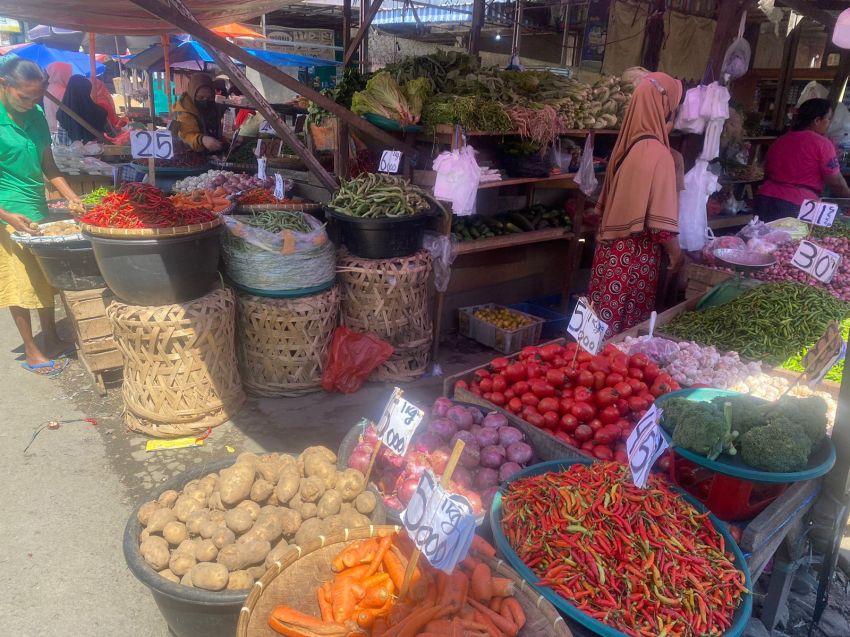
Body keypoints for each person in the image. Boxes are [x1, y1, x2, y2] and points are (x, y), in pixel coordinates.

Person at [0, 58, 82, 376]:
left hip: (38, 209)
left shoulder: (34, 115)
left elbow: (49, 167)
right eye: (25, 97)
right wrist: (6, 215)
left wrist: (74, 199)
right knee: (19, 284)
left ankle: (51, 336)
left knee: (45, 278)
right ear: (4, 84)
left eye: (37, 98)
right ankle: (32, 349)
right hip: (7, 213)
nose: (32, 103)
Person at [588, 72, 684, 338]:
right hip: (635, 258)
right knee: (625, 331)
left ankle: (586, 370)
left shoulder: (624, 145)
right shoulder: (659, 155)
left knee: (601, 320)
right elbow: (661, 228)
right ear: (663, 111)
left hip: (610, 253)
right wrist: (677, 255)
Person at [755, 98, 850, 221]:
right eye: (828, 119)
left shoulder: (781, 140)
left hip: (765, 198)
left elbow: (767, 172)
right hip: (796, 204)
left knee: (760, 239)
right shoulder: (822, 144)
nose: (829, 124)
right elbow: (836, 183)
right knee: (792, 240)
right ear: (817, 120)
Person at [174, 73, 223, 152]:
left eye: (209, 97)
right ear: (192, 94)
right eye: (200, 97)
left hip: (212, 156)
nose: (205, 101)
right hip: (192, 156)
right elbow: (186, 136)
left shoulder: (213, 107)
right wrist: (201, 139)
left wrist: (225, 140)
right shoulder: (185, 110)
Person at [57, 75, 108, 143]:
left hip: (71, 152)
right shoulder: (100, 113)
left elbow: (63, 142)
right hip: (97, 151)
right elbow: (111, 135)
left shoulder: (62, 114)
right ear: (87, 91)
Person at [43, 61, 72, 135]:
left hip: (51, 130)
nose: (70, 76)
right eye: (68, 73)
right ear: (62, 74)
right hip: (62, 133)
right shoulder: (63, 92)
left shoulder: (49, 89)